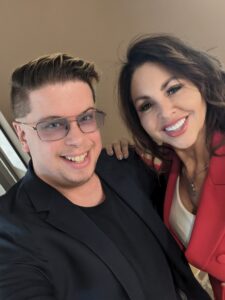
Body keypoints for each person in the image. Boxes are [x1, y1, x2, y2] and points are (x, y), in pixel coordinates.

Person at [0, 53, 210, 300]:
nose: (78, 140)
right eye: (53, 125)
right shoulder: (9, 232)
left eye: (86, 118)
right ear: (22, 135)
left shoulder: (128, 167)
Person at [106, 34, 225, 300]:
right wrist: (123, 154)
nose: (165, 111)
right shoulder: (168, 173)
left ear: (201, 82)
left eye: (172, 89)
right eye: (146, 105)